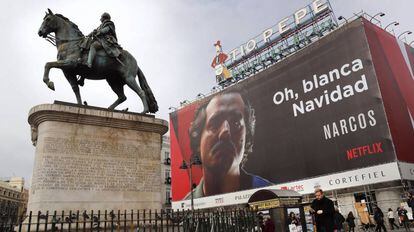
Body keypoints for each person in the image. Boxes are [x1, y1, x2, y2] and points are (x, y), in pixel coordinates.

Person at [184, 91, 272, 199]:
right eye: (215, 124)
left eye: (235, 124)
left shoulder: (269, 193)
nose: (225, 132)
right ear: (198, 140)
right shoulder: (187, 204)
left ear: (246, 137)